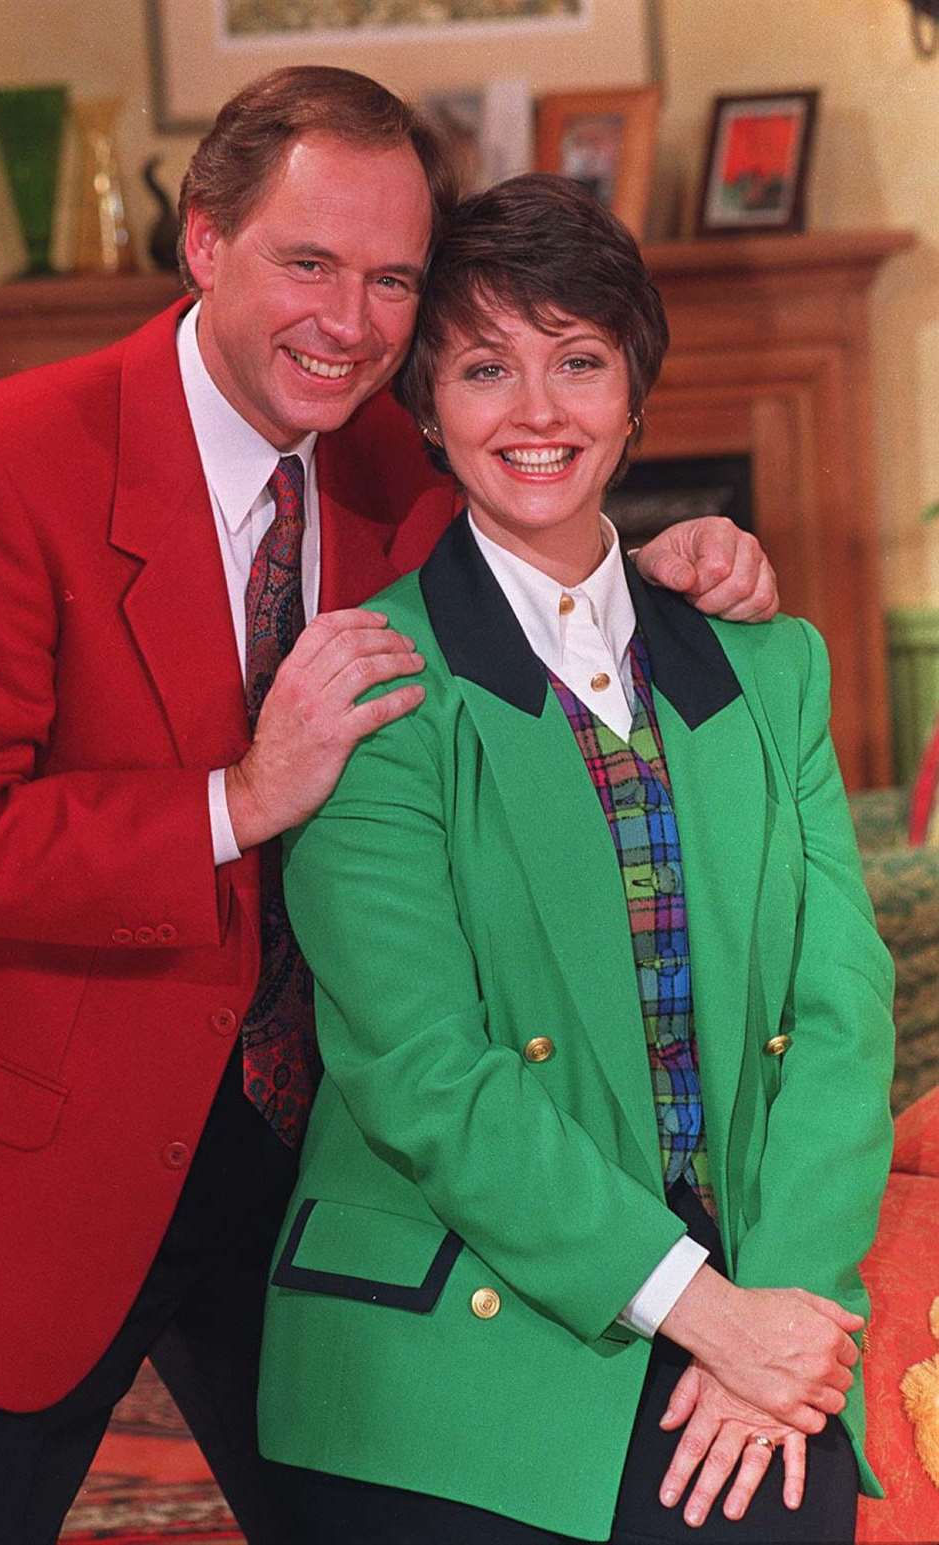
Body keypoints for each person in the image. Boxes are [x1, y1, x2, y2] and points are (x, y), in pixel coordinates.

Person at [0, 71, 777, 1545]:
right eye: (307, 263)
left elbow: (540, 536)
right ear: (204, 241)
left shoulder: (396, 463)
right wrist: (236, 798)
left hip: (313, 1173)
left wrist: (672, 570)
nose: (349, 322)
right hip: (39, 1180)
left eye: (394, 279)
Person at [258, 174, 896, 1544]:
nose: (538, 413)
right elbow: (424, 1073)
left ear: (633, 393)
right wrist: (712, 1314)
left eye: (579, 361)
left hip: (737, 1294)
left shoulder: (767, 664)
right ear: (426, 409)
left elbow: (843, 1013)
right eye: (487, 367)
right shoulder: (373, 689)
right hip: (455, 1316)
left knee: (789, 1508)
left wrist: (784, 1311)